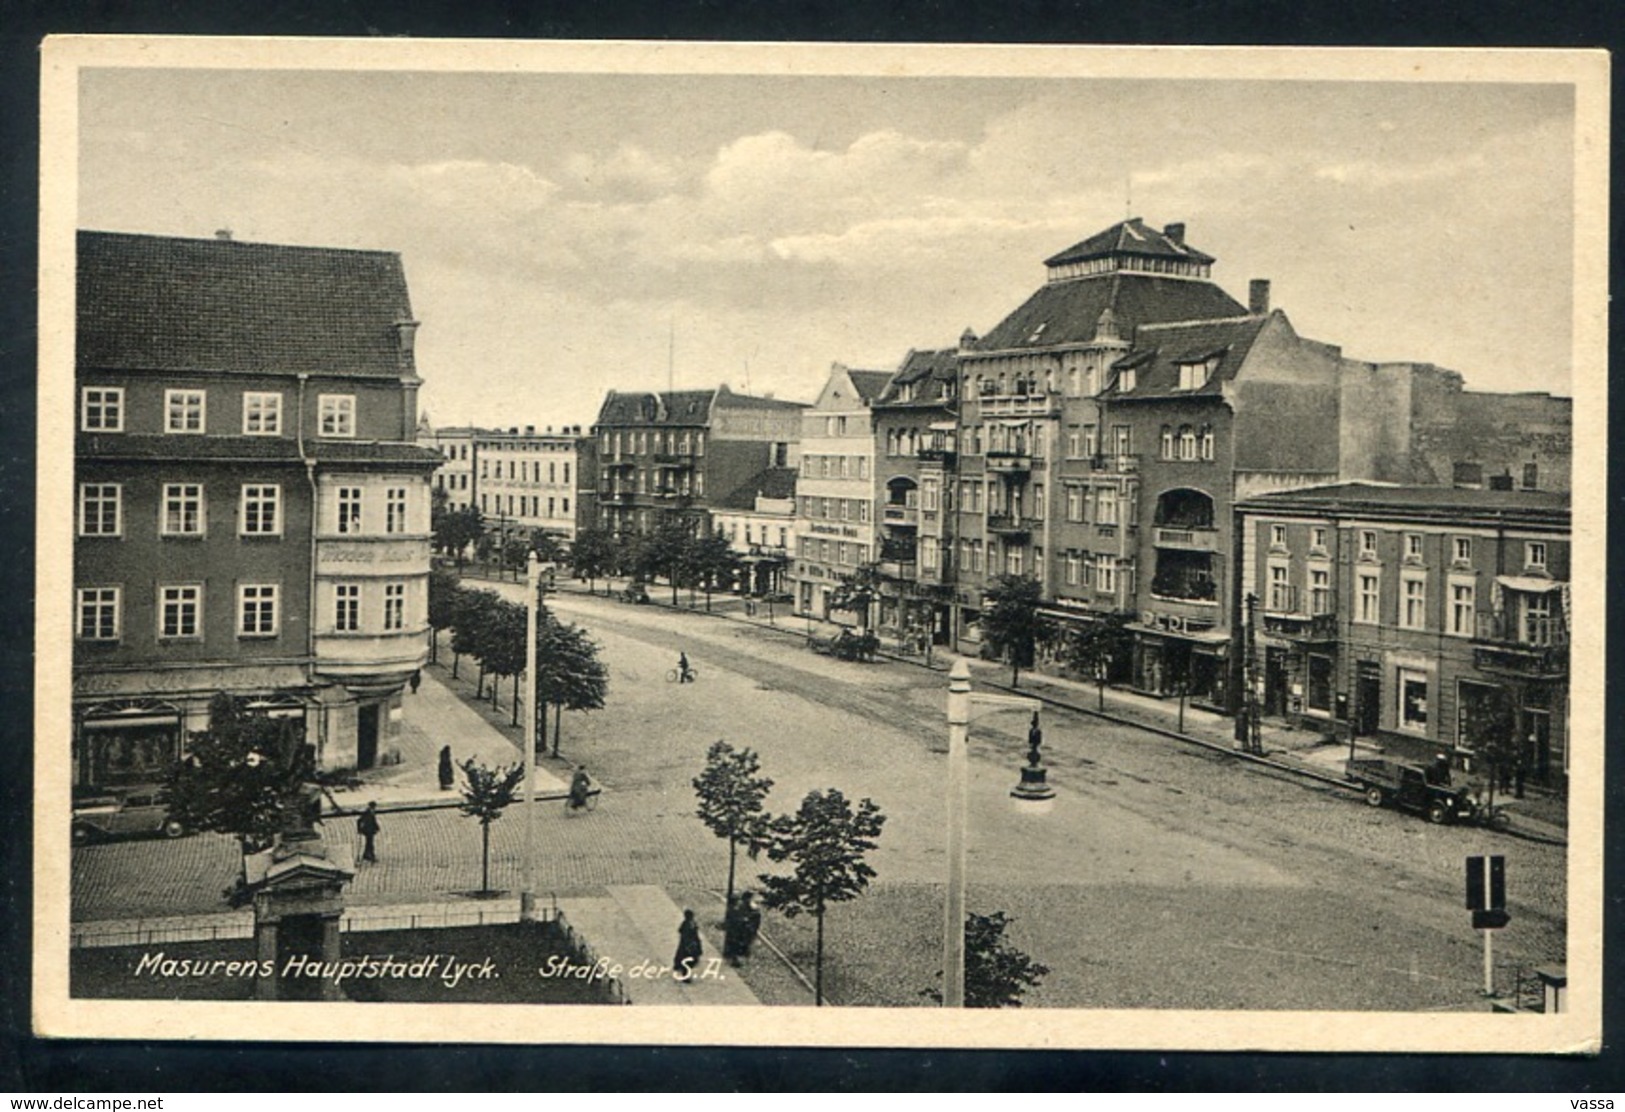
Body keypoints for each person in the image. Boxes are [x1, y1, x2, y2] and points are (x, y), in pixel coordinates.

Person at [674, 908, 703, 983]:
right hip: (689, 945)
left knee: (685, 958)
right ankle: (685, 976)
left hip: (689, 944)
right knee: (687, 960)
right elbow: (686, 935)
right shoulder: (688, 924)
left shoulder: (690, 923)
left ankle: (681, 970)